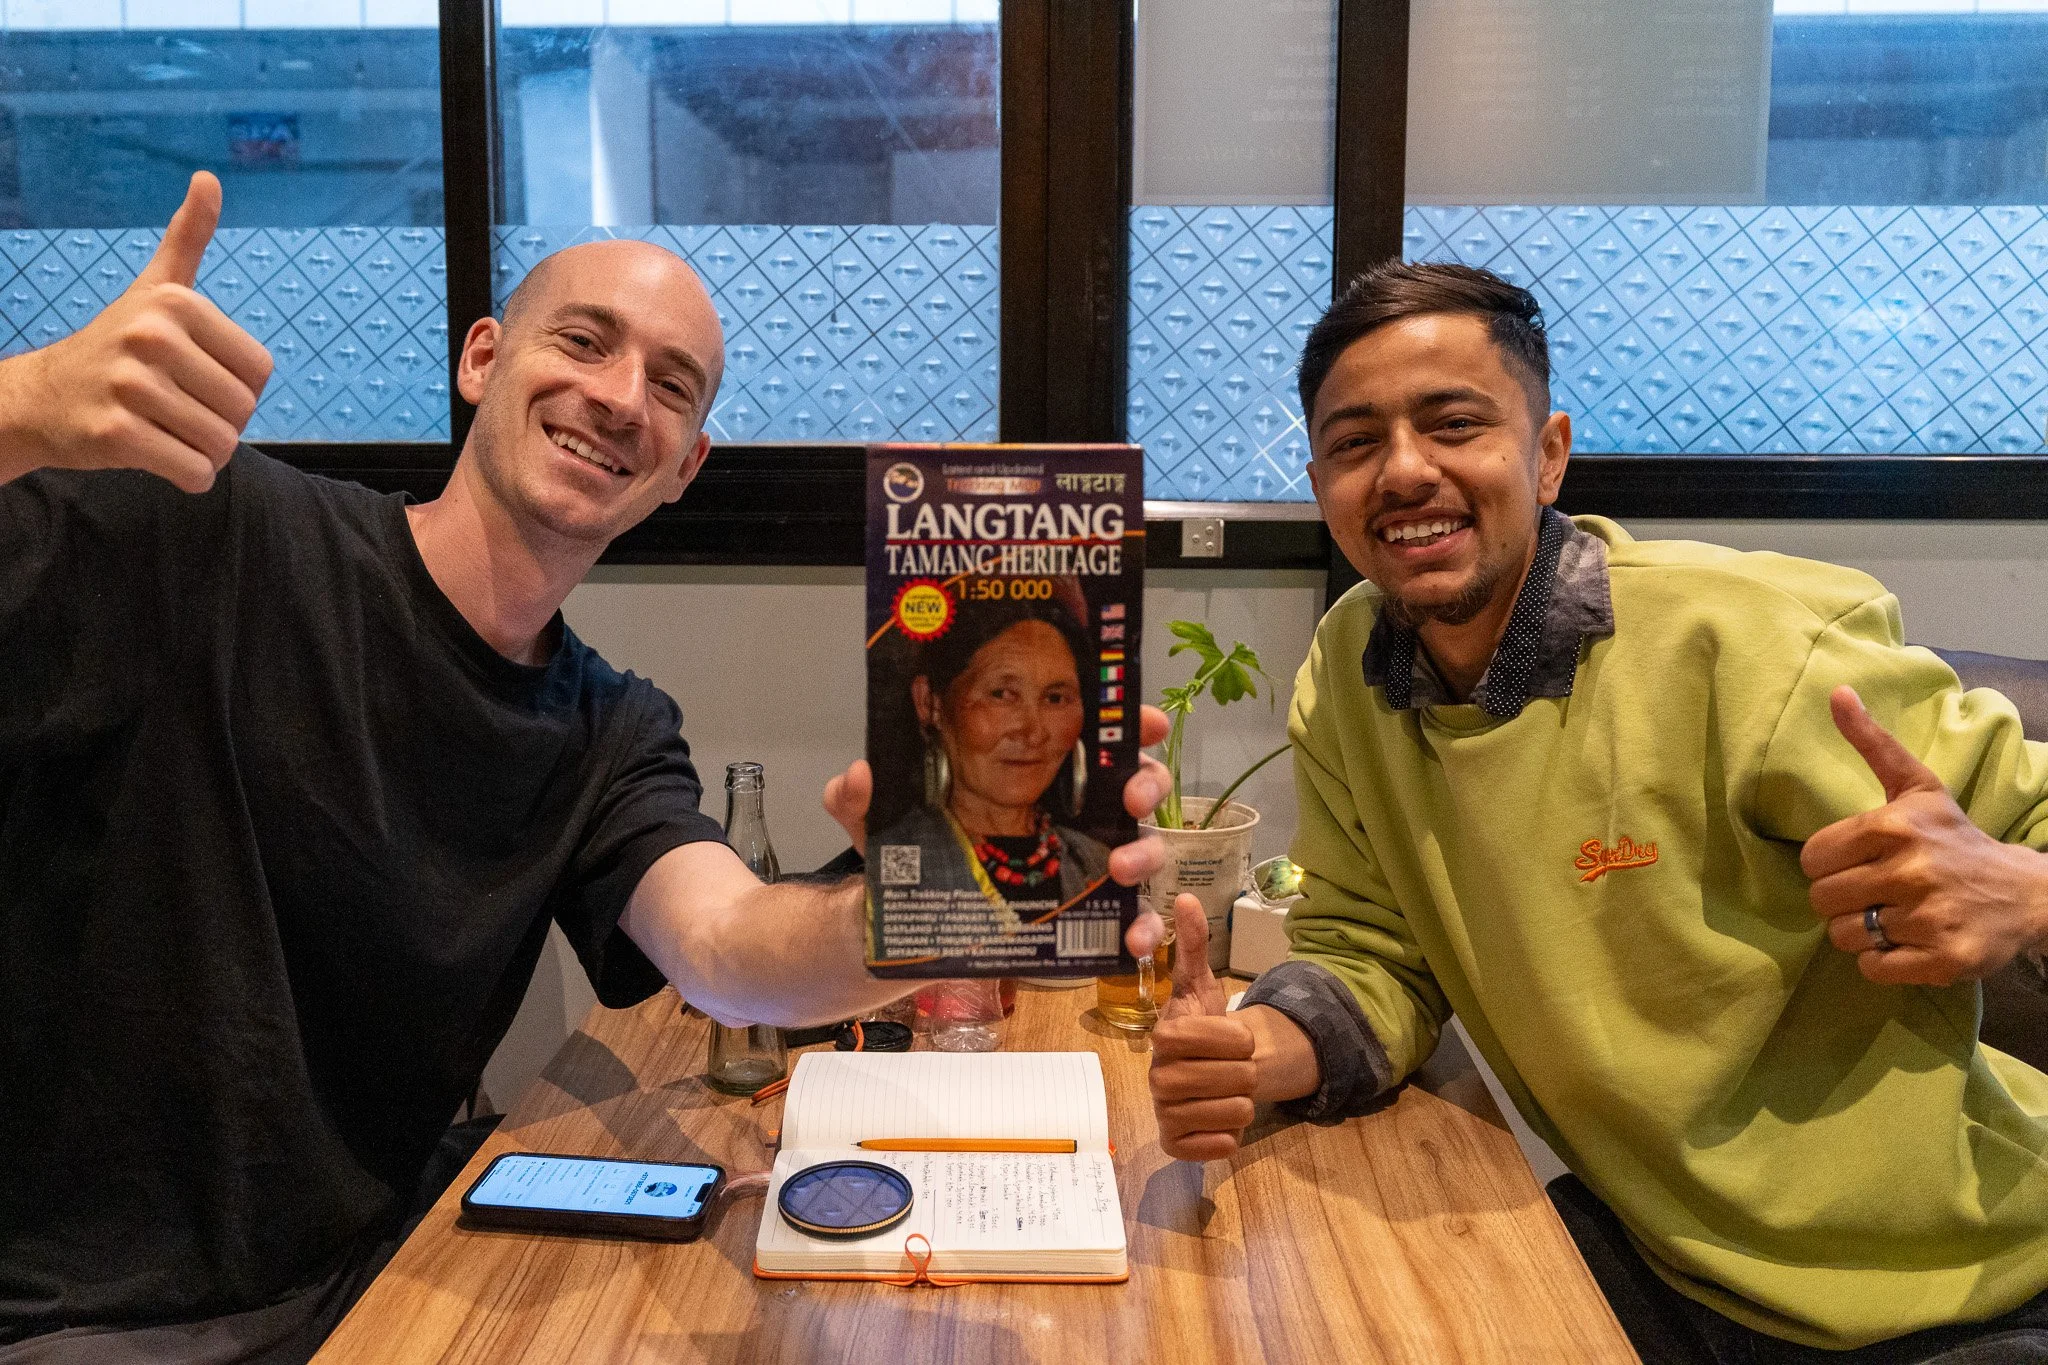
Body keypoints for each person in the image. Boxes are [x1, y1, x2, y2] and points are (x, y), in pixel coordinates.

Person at [0, 172, 1173, 1362]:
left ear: (683, 467)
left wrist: (918, 909)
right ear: (481, 360)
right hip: (85, 1319)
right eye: (583, 342)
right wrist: (28, 405)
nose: (619, 399)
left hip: (376, 1284)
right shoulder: (211, 530)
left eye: (670, 387)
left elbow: (727, 950)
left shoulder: (607, 728)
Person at [1143, 260, 2048, 1361]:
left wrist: (2024, 891)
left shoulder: (1751, 643)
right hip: (1661, 1252)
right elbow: (1372, 950)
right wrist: (1254, 1055)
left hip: (1951, 1288)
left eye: (1452, 424)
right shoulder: (1350, 670)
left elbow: (2021, 828)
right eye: (1353, 443)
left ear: (1547, 452)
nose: (1403, 470)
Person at [869, 595, 1112, 939]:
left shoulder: (1098, 865)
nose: (1033, 732)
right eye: (1002, 694)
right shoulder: (897, 865)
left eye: (1056, 698)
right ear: (930, 703)